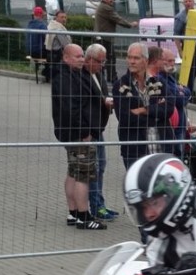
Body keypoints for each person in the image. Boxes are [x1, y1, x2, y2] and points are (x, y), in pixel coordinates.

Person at [51, 43, 107, 230]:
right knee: (83, 175)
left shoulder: (68, 75)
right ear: (66, 58)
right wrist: (84, 132)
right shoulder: (66, 78)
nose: (82, 59)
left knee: (73, 172)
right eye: (77, 56)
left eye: (82, 55)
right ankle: (84, 216)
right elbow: (71, 109)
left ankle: (73, 212)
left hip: (70, 133)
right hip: (77, 134)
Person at [113, 42, 176, 170]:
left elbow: (169, 108)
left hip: (161, 146)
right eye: (129, 57)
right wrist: (157, 116)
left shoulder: (158, 82)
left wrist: (144, 110)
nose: (131, 61)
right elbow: (126, 119)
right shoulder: (120, 85)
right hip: (134, 149)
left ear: (146, 60)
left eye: (136, 58)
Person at [83, 43, 119, 221]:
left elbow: (102, 94)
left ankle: (100, 204)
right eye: (99, 61)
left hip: (99, 127)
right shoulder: (81, 76)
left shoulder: (98, 73)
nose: (102, 65)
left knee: (101, 166)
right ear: (88, 59)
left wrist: (107, 101)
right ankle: (96, 206)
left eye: (104, 61)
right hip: (90, 129)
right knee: (94, 168)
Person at [94, 0, 137, 83]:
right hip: (104, 37)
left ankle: (105, 77)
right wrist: (130, 24)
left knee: (106, 58)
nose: (112, 0)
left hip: (102, 36)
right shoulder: (106, 8)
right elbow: (117, 18)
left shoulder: (103, 6)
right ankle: (111, 78)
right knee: (109, 58)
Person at [173, 0, 196, 91]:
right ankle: (187, 91)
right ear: (183, 3)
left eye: (190, 1)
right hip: (187, 45)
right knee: (189, 70)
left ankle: (188, 89)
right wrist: (180, 51)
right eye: (186, 1)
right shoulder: (180, 17)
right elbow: (176, 35)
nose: (188, 3)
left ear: (193, 1)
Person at [45, 11, 71, 86]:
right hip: (57, 53)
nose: (64, 19)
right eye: (62, 17)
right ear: (56, 18)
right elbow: (66, 44)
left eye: (65, 17)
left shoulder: (52, 25)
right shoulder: (58, 29)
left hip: (51, 52)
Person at [26, 6, 48, 81]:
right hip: (39, 52)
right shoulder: (42, 25)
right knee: (53, 55)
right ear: (41, 15)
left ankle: (44, 71)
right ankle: (47, 73)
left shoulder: (29, 25)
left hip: (30, 51)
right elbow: (47, 38)